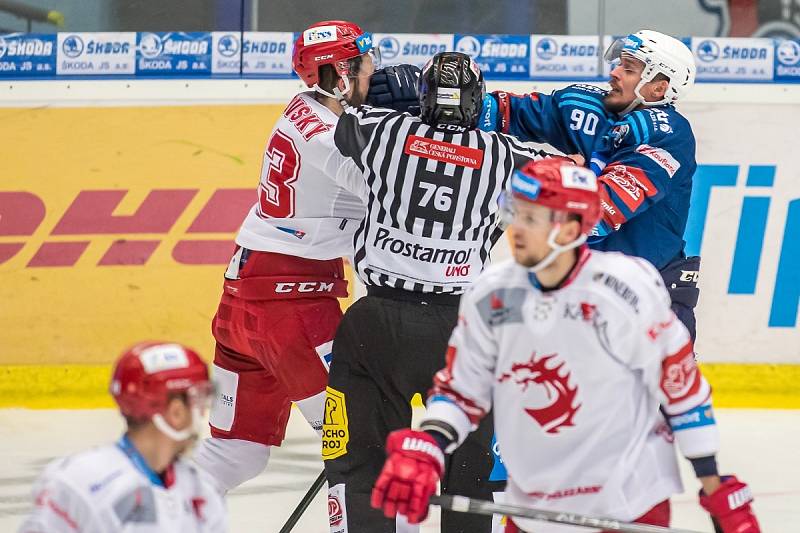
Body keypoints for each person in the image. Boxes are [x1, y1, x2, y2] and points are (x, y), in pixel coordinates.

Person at [371, 159, 761, 533]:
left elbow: (681, 389)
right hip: (533, 506)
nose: (516, 230)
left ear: (572, 229)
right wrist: (431, 443)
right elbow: (462, 389)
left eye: (531, 219)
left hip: (627, 505)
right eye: (515, 213)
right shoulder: (492, 294)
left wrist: (715, 485)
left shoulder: (628, 290)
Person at [320, 51, 548, 533]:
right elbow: (569, 168)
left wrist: (371, 87)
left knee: (363, 465)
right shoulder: (507, 154)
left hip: (375, 325)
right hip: (459, 332)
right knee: (468, 475)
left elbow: (335, 110)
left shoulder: (383, 132)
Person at [191, 20, 380, 492]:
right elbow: (394, 191)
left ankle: (144, 519)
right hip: (293, 309)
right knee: (360, 444)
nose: (375, 69)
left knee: (233, 454)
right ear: (338, 75)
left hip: (242, 301)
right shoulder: (331, 140)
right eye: (364, 61)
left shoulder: (304, 108)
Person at [481, 29, 701, 341]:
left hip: (648, 303)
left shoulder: (668, 135)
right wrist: (445, 97)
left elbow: (597, 215)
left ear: (657, 88)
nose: (614, 72)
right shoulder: (588, 108)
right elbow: (503, 112)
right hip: (582, 294)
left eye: (628, 68)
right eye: (619, 64)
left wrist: (559, 171)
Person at [19, 342, 224, 533]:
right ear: (176, 413)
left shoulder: (200, 489)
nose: (202, 412)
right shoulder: (80, 482)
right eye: (198, 400)